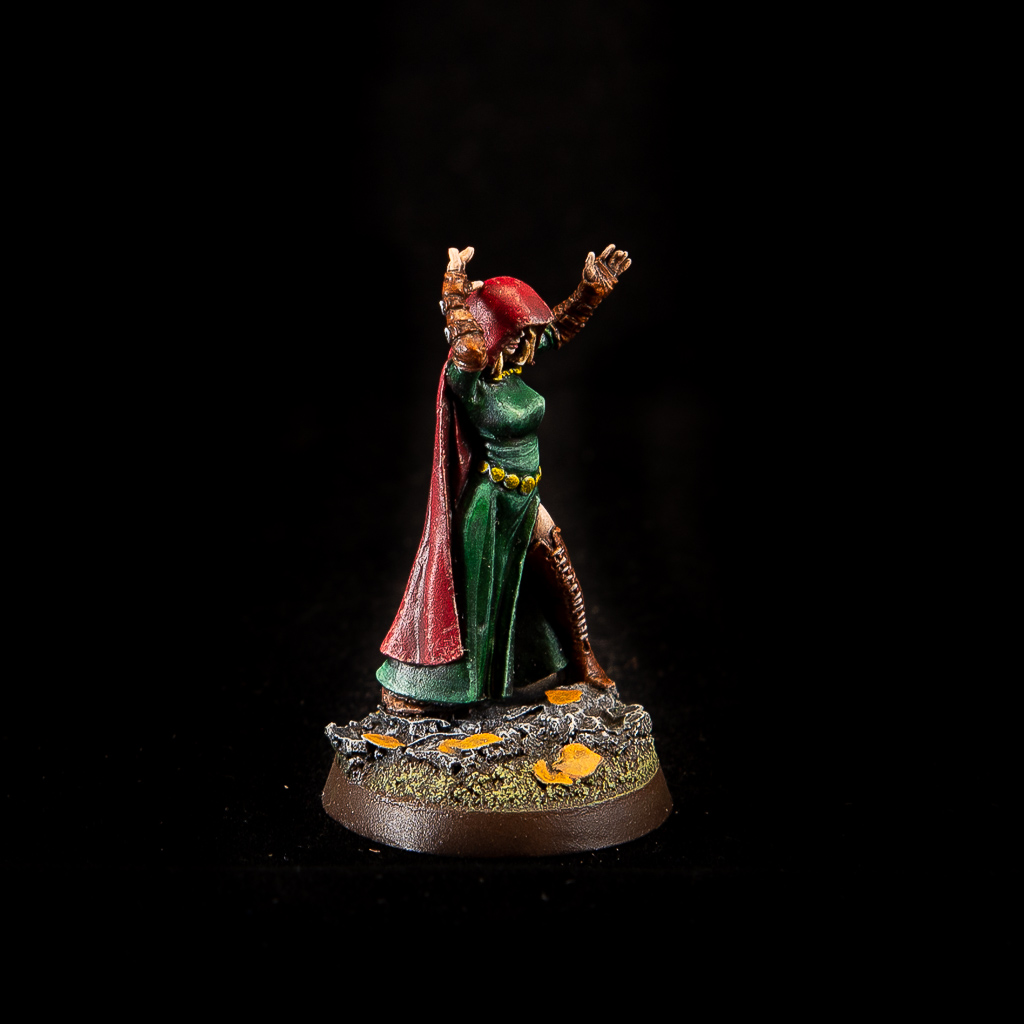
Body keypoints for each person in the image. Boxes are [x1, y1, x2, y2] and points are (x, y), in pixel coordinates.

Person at [377, 244, 631, 714]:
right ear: (492, 332)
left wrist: (588, 292)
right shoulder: (468, 378)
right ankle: (418, 689)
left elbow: (557, 328)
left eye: (523, 335)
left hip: (525, 499)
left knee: (562, 576)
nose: (520, 343)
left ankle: (582, 663)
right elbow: (469, 348)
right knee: (474, 607)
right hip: (490, 503)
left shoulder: (513, 365)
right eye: (510, 334)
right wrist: (455, 291)